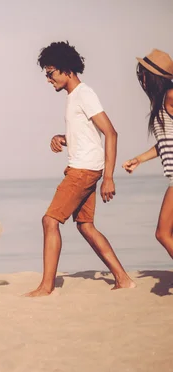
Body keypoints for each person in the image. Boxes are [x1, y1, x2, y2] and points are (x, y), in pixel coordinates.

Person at [26, 41, 135, 297]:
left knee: (49, 220)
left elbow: (111, 133)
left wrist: (109, 177)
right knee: (85, 225)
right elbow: (86, 133)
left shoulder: (84, 94)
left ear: (67, 70)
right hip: (86, 168)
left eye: (51, 73)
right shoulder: (75, 97)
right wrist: (62, 137)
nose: (48, 79)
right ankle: (123, 279)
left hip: (82, 171)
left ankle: (45, 287)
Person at [122, 49, 173, 256]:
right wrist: (139, 159)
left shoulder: (170, 96)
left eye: (142, 74)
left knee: (162, 234)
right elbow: (165, 143)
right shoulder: (162, 101)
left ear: (153, 77)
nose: (140, 78)